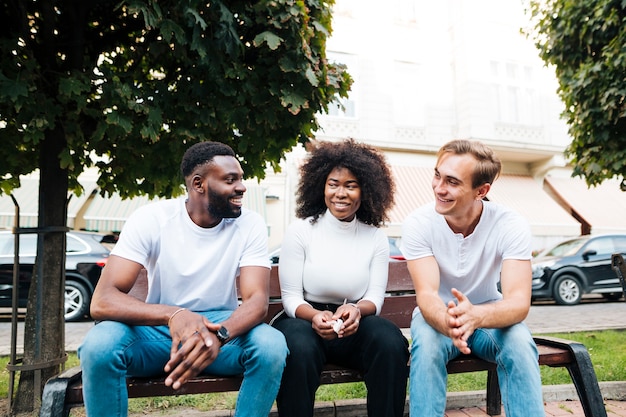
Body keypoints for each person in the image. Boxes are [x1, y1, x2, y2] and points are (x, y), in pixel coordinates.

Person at [78, 141, 288, 417]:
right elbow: (103, 301)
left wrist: (220, 335)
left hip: (219, 330)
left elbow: (257, 301)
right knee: (98, 347)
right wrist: (173, 314)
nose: (242, 187)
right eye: (230, 180)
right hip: (159, 334)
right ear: (199, 184)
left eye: (240, 178)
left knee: (272, 346)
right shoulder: (152, 219)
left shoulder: (250, 223)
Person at [400, 139, 544, 417]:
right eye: (437, 175)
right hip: (436, 316)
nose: (439, 188)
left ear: (482, 190)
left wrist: (475, 316)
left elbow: (518, 302)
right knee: (427, 347)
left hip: (490, 316)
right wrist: (451, 323)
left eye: (452, 182)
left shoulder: (510, 224)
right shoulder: (418, 223)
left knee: (520, 344)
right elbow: (427, 295)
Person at [272, 139, 410, 417]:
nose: (341, 193)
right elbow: (290, 297)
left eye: (351, 185)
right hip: (304, 319)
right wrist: (313, 316)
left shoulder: (375, 238)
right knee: (297, 346)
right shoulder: (301, 231)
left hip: (353, 321)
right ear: (321, 185)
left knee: (391, 341)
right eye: (333, 183)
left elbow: (374, 297)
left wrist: (357, 310)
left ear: (366, 190)